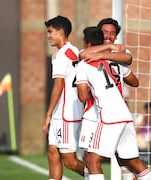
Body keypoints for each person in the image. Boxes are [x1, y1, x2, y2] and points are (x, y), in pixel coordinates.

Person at [76, 26, 151, 180]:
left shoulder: (83, 64)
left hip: (108, 116)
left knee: (92, 160)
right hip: (126, 115)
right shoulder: (115, 61)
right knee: (133, 161)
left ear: (86, 42)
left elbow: (83, 97)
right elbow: (135, 81)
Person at [80, 18, 136, 179]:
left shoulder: (117, 56)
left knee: (110, 157)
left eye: (112, 33)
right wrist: (107, 50)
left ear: (116, 36)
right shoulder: (89, 53)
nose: (109, 35)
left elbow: (128, 59)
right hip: (92, 112)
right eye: (105, 32)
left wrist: (103, 54)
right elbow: (83, 54)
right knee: (89, 156)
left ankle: (128, 176)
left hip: (109, 112)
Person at [41, 15, 86, 179]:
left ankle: (97, 176)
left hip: (65, 114)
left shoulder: (61, 55)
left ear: (61, 32)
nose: (48, 35)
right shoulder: (74, 50)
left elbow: (58, 86)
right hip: (65, 111)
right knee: (52, 153)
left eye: (50, 31)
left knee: (70, 161)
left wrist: (48, 115)